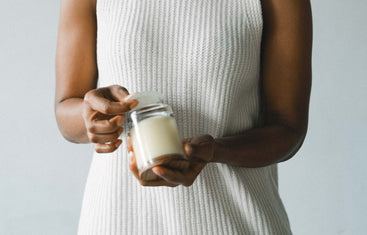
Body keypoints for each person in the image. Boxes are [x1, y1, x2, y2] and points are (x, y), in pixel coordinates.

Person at [55, 0, 312, 234]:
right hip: (116, 220)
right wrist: (90, 115)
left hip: (235, 223)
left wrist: (216, 150)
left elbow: (288, 128)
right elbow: (66, 109)